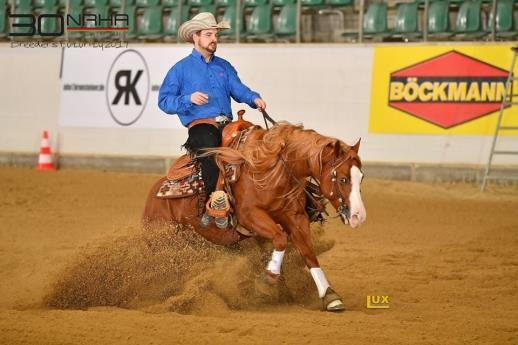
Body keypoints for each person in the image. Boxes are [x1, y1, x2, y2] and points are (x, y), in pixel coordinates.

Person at [158, 12, 266, 226]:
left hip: (228, 124)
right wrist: (188, 99)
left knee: (258, 145)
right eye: (208, 34)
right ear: (195, 37)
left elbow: (239, 89)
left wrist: (254, 98)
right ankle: (213, 203)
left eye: (215, 35)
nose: (213, 39)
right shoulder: (180, 69)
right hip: (201, 124)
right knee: (208, 148)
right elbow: (164, 101)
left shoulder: (224, 66)